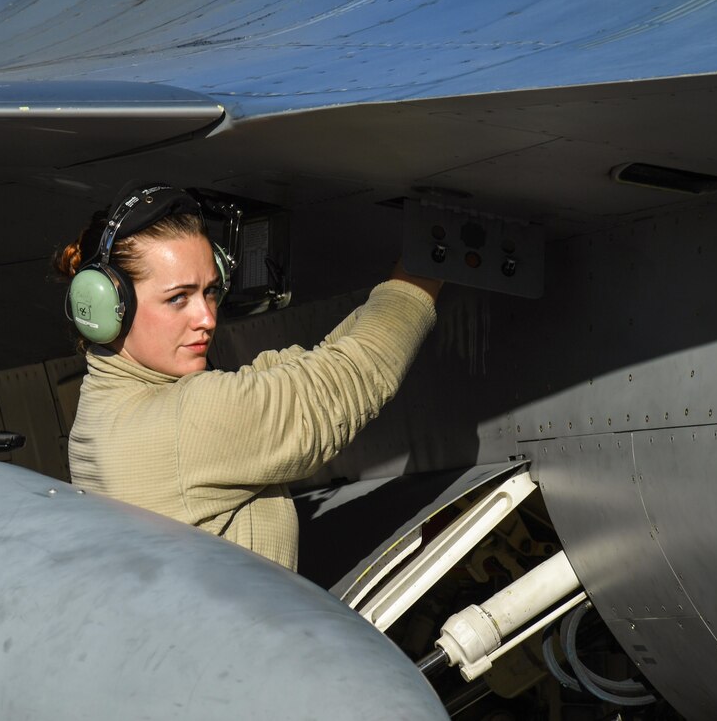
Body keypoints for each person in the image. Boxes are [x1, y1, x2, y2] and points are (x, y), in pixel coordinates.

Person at [56, 183, 441, 571]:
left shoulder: (103, 413)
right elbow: (342, 383)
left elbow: (303, 372)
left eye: (210, 291)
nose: (207, 318)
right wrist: (428, 261)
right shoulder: (182, 425)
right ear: (108, 307)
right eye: (178, 298)